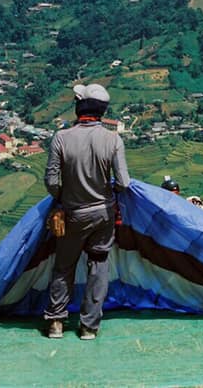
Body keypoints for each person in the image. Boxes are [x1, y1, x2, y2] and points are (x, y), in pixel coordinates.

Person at [43, 83, 131, 340]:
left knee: (64, 266)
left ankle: (56, 322)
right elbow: (123, 183)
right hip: (103, 214)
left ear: (80, 106)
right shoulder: (113, 139)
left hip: (73, 214)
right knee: (98, 266)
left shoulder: (62, 138)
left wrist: (63, 197)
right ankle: (89, 326)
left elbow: (52, 181)